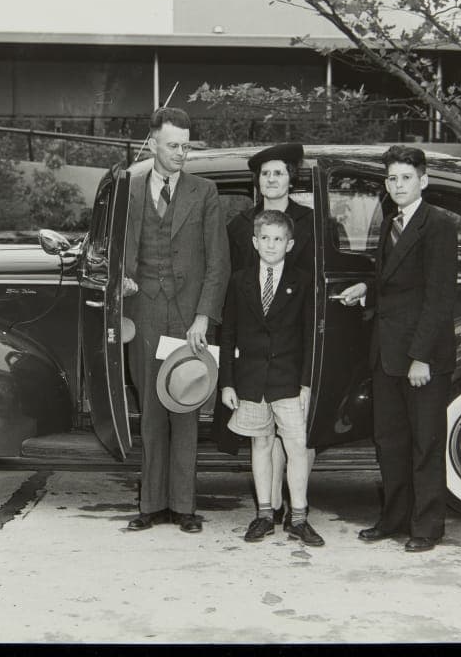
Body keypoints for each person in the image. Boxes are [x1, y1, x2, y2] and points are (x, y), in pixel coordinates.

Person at [339, 145, 457, 553]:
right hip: (387, 355)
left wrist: (421, 356)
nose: (398, 184)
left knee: (425, 444)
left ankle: (427, 528)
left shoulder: (437, 225)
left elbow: (439, 298)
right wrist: (367, 290)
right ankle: (393, 519)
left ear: (423, 180)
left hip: (421, 359)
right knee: (390, 443)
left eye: (406, 177)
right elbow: (396, 284)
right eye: (392, 178)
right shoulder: (392, 220)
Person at [123, 107, 230, 534]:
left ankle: (184, 507)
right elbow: (110, 251)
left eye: (186, 145)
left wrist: (203, 316)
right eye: (173, 145)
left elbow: (217, 263)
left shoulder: (204, 192)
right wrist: (121, 283)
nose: (182, 153)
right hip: (143, 312)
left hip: (188, 316)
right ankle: (151, 505)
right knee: (150, 410)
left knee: (185, 407)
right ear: (153, 144)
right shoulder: (127, 189)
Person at [218, 143, 316, 528]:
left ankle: (297, 514)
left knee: (294, 443)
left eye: (279, 172)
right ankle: (266, 509)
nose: (272, 179)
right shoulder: (241, 226)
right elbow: (232, 317)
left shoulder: (310, 221)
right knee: (261, 441)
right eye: (265, 173)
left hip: (289, 358)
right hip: (253, 363)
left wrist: (307, 378)